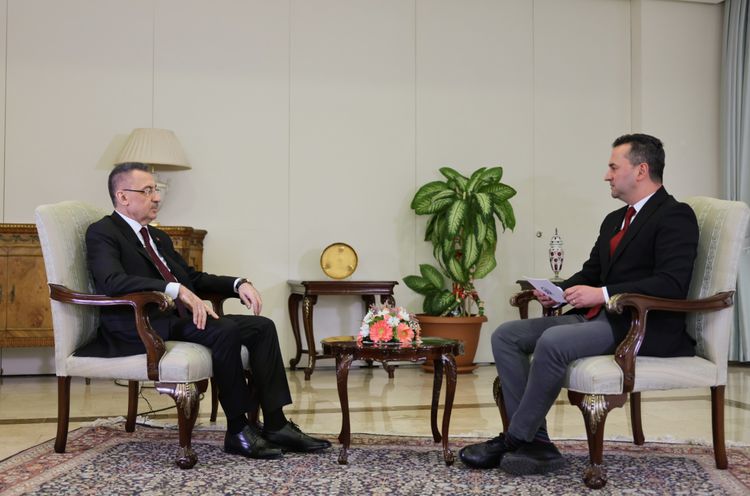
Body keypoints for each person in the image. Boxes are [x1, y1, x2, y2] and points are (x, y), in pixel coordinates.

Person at [459, 133, 699, 475]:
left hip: (639, 325)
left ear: (641, 170)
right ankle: (538, 443)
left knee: (553, 340)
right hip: (598, 317)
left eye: (613, 167)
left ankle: (513, 438)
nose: (606, 175)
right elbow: (591, 272)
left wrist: (603, 294)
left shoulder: (675, 215)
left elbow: (671, 283)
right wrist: (559, 291)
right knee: (506, 335)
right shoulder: (614, 220)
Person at [85, 162, 331, 460]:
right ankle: (238, 430)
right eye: (147, 191)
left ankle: (276, 424)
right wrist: (175, 290)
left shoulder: (157, 237)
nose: (157, 198)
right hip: (143, 323)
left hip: (176, 319)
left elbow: (192, 278)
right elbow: (112, 281)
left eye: (156, 190)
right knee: (224, 329)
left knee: (262, 327)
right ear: (123, 196)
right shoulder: (103, 232)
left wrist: (237, 284)